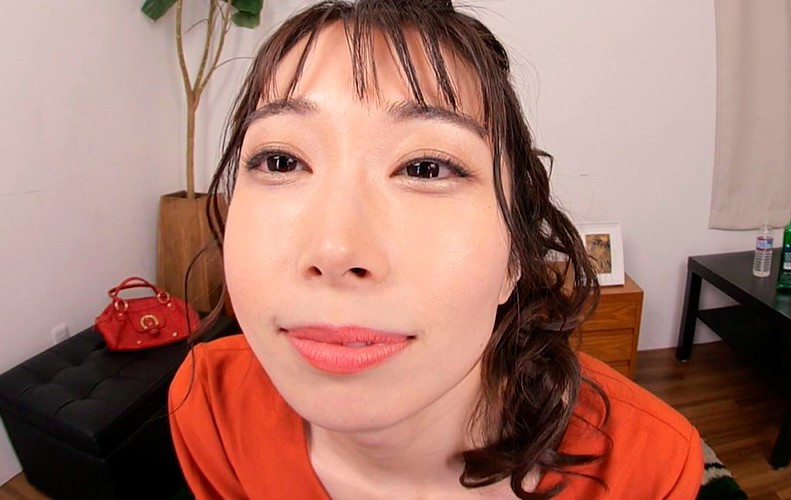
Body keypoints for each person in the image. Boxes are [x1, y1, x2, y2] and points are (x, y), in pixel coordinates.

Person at [168, 1, 704, 498]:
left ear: (515, 255)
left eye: (426, 168)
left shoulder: (646, 470)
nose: (334, 249)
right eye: (281, 161)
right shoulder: (210, 406)